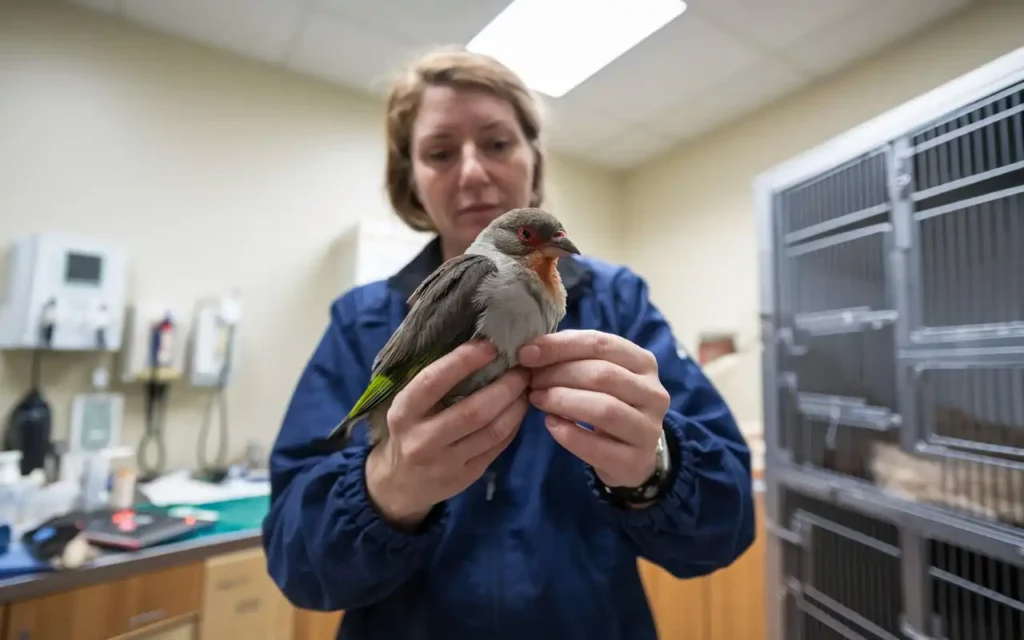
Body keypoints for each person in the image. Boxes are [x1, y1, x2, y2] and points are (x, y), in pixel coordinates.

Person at [262, 46, 755, 639]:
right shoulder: (359, 320)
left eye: (496, 143)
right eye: (440, 152)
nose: (472, 172)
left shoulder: (619, 302)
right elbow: (296, 563)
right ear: (410, 179)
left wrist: (656, 466)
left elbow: (728, 524)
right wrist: (387, 489)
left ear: (532, 160)